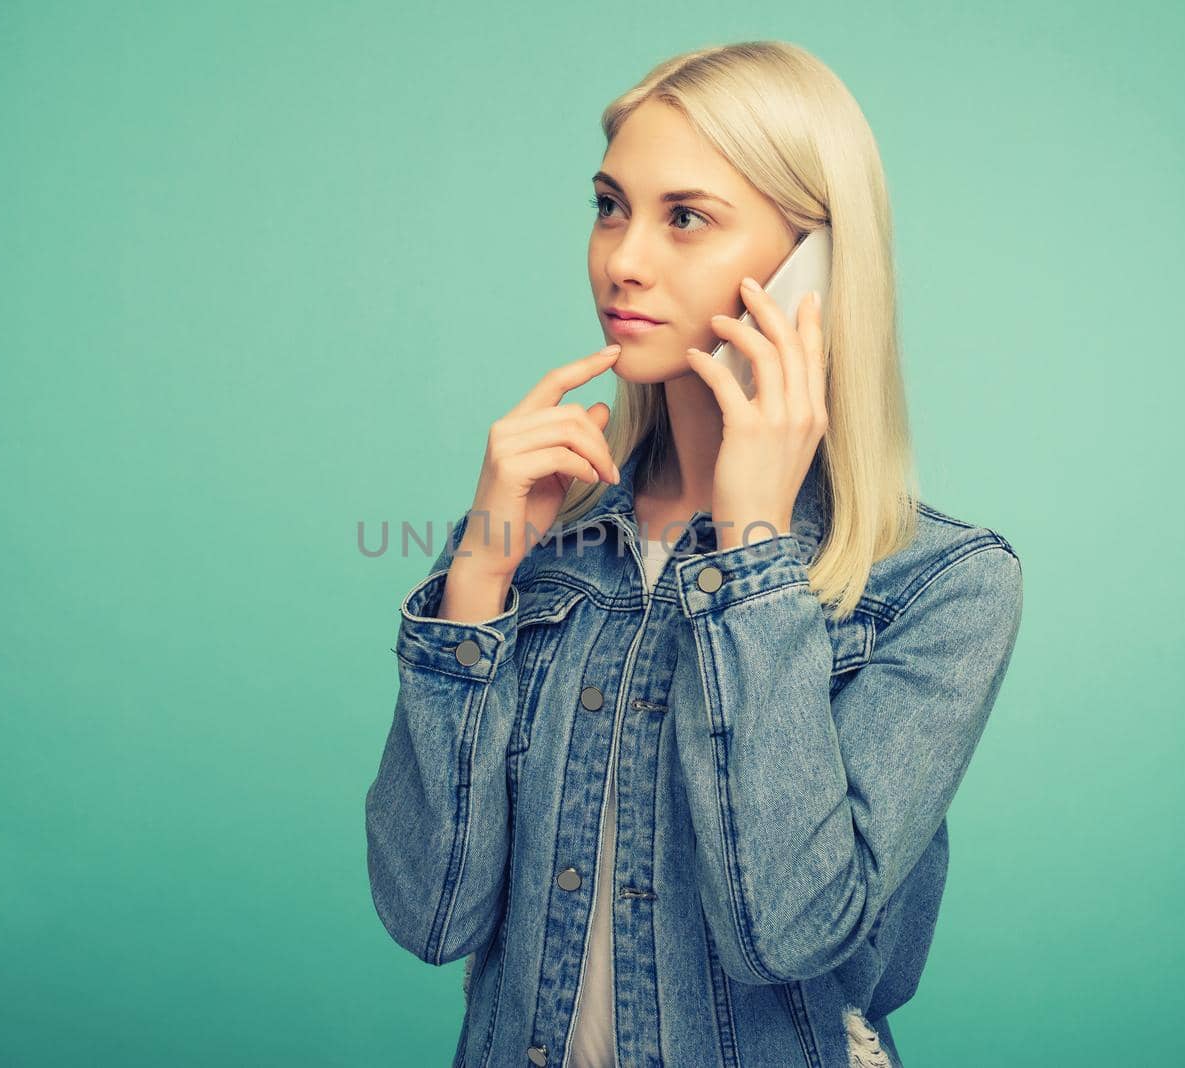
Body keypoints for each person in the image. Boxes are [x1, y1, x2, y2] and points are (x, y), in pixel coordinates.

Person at [364, 40, 1024, 1068]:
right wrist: (481, 573)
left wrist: (753, 558)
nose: (622, 259)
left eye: (685, 217)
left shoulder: (941, 586)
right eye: (609, 205)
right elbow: (428, 914)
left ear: (815, 265)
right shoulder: (534, 543)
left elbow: (790, 933)